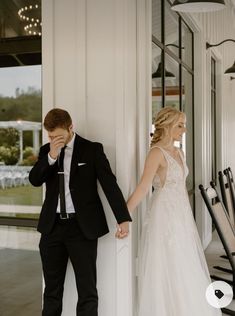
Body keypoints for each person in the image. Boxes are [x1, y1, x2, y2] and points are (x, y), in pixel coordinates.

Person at [29, 108, 132, 316]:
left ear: (70, 127)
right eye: (50, 136)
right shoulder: (46, 151)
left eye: (58, 136)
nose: (54, 140)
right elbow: (34, 180)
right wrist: (51, 155)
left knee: (87, 291)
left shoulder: (92, 150)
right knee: (51, 291)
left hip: (81, 228)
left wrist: (123, 218)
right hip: (52, 228)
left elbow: (109, 185)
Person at [127, 107, 222, 316]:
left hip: (181, 214)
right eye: (180, 125)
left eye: (184, 124)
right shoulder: (156, 153)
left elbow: (180, 187)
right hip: (163, 215)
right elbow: (144, 187)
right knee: (167, 263)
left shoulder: (179, 152)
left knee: (185, 262)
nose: (184, 129)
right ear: (167, 126)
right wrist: (124, 216)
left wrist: (187, 218)